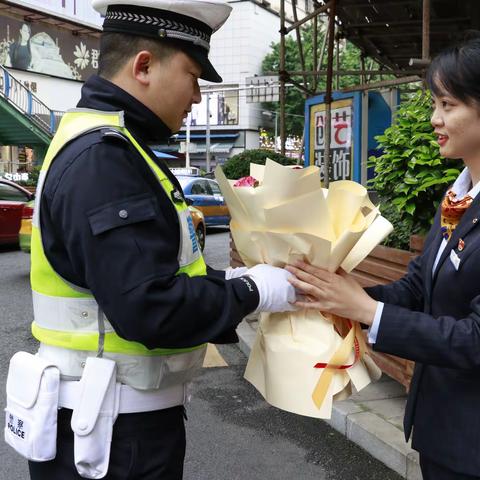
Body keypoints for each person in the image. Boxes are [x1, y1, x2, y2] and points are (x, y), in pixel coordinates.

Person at [26, 1, 296, 478]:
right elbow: (150, 306)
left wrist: (229, 279)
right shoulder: (104, 159)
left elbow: (152, 273)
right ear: (144, 66)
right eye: (193, 75)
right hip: (112, 435)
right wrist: (253, 290)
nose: (196, 95)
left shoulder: (112, 144)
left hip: (112, 420)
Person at [287, 37, 480, 480]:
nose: (435, 119)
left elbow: (474, 338)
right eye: (435, 103)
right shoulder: (459, 195)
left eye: (448, 105)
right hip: (444, 429)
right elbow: (418, 286)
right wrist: (332, 294)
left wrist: (367, 310)